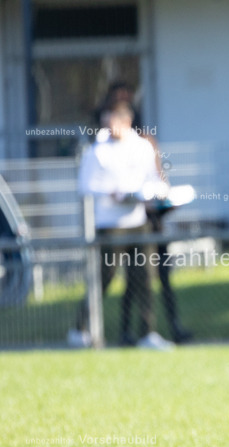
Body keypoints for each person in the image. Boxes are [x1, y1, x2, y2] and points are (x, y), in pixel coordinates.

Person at [69, 102, 175, 350]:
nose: (109, 126)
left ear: (126, 121)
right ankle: (80, 329)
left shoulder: (141, 147)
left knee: (144, 279)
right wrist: (111, 192)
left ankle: (147, 333)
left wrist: (155, 193)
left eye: (113, 120)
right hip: (110, 225)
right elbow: (85, 185)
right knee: (103, 279)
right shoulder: (97, 151)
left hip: (137, 223)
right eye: (107, 121)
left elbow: (155, 180)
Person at [100, 82, 193, 343]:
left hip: (153, 220)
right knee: (133, 280)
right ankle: (127, 331)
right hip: (132, 221)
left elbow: (159, 180)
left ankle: (172, 327)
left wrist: (164, 197)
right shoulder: (111, 145)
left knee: (162, 276)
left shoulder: (146, 142)